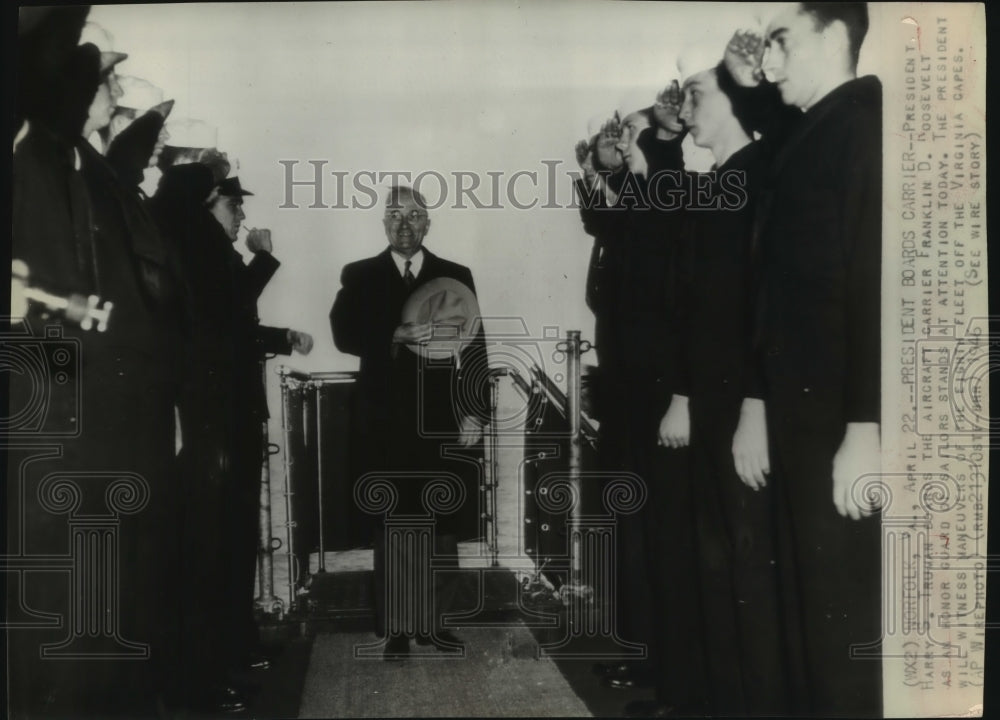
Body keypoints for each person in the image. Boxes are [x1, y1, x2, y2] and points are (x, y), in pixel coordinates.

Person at [737, 3, 883, 715]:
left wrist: (865, 425)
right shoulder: (809, 132)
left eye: (780, 42)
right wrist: (762, 402)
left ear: (833, 33)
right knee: (809, 624)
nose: (769, 63)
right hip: (800, 418)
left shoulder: (861, 123)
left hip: (836, 424)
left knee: (840, 627)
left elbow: (872, 284)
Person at [666, 48, 789, 715]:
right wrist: (687, 395)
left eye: (695, 97)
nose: (685, 112)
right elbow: (695, 303)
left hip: (741, 403)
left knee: (745, 568)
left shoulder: (760, 175)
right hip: (714, 400)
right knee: (715, 564)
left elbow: (762, 308)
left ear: (736, 104)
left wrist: (754, 406)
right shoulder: (722, 180)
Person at [330, 185, 489, 659]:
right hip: (383, 420)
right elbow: (343, 334)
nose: (404, 224)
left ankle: (436, 624)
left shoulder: (455, 276)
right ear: (383, 223)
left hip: (441, 417)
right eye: (394, 215)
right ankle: (398, 628)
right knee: (394, 520)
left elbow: (476, 349)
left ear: (427, 224)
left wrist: (476, 410)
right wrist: (392, 334)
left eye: (414, 215)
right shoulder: (359, 274)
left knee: (442, 521)